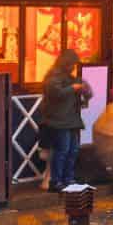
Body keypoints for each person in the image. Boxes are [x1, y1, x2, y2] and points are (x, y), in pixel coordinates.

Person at [38, 49, 93, 192]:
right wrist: (73, 88)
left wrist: (85, 90)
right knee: (62, 150)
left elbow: (86, 93)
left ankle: (68, 178)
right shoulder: (53, 77)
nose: (73, 67)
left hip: (71, 119)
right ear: (66, 63)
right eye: (72, 64)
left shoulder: (69, 77)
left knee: (73, 150)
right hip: (59, 120)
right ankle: (56, 181)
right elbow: (56, 93)